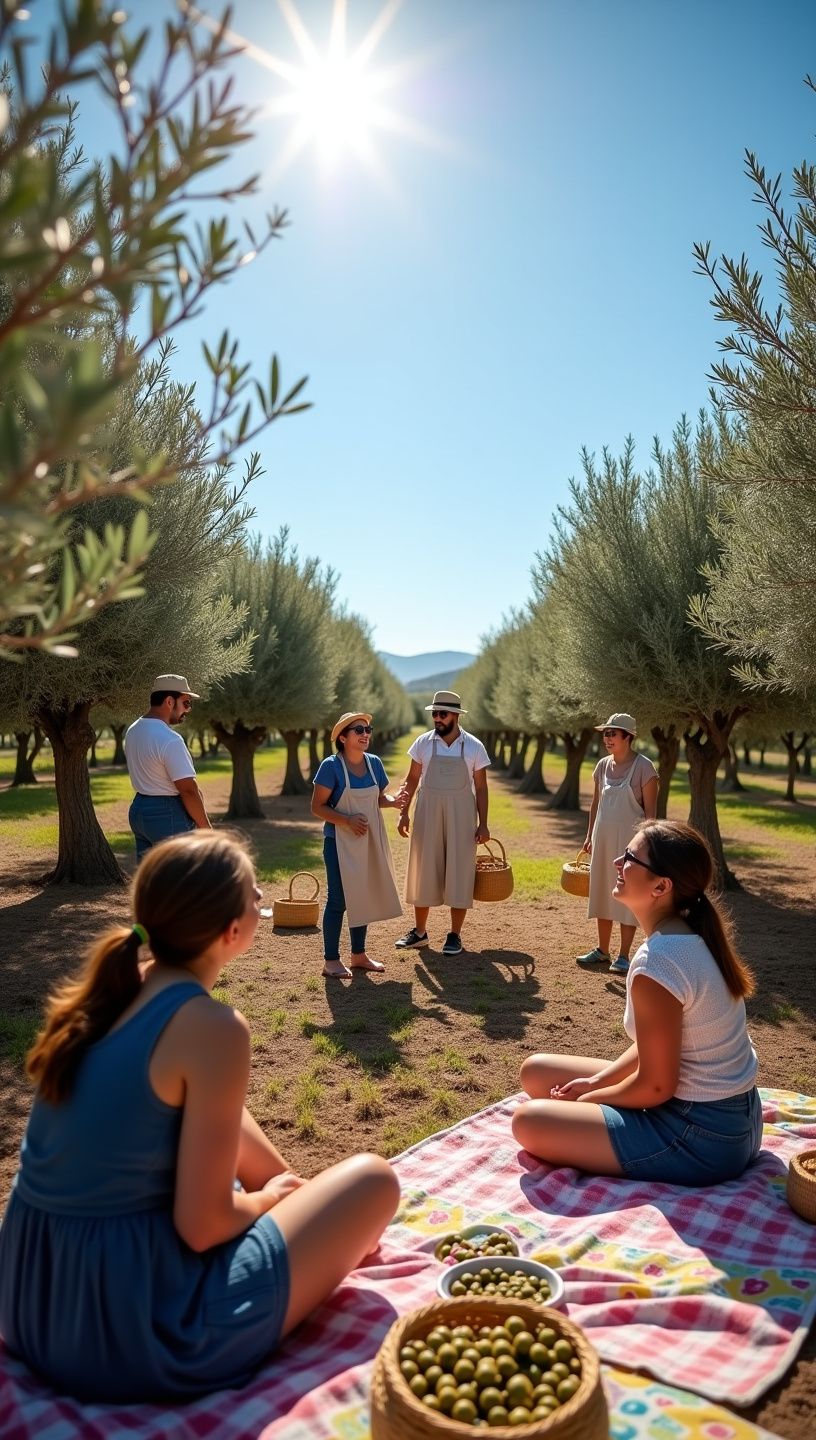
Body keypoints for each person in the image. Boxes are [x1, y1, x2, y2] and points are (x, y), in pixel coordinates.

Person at [0, 832, 400, 1403]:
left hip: (33, 1303)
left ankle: (291, 1224)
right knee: (371, 1180)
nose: (262, 896)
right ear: (232, 933)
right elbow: (203, 1226)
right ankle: (292, 1231)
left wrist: (282, 1191)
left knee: (270, 1166)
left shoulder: (113, 992)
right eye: (254, 893)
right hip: (129, 1329)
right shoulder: (211, 1028)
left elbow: (214, 1119)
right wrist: (271, 1201)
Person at [512, 819, 762, 1187]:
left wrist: (591, 1100)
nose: (617, 861)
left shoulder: (658, 962)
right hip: (739, 1122)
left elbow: (656, 1087)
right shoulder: (690, 935)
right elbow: (656, 1049)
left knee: (529, 1122)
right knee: (536, 1071)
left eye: (630, 857)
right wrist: (597, 1081)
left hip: (703, 1137)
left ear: (661, 886)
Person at [395, 690, 490, 957]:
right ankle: (420, 932)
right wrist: (404, 812)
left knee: (460, 870)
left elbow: (481, 788)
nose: (437, 718)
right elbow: (412, 779)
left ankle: (454, 935)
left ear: (456, 716)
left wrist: (483, 824)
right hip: (427, 811)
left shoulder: (474, 747)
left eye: (442, 714)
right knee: (424, 867)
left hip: (462, 813)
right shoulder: (423, 743)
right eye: (434, 713)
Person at [311, 712, 403, 979]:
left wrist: (393, 800)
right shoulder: (330, 766)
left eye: (368, 729)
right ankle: (331, 961)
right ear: (342, 737)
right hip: (337, 842)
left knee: (361, 896)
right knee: (339, 899)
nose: (365, 734)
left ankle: (358, 955)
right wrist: (347, 820)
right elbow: (317, 807)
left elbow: (379, 798)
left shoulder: (374, 763)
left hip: (368, 840)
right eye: (359, 730)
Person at [577, 711, 658, 975]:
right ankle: (602, 950)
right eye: (605, 733)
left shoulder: (645, 768)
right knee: (602, 890)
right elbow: (595, 805)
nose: (607, 738)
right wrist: (589, 835)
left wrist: (646, 849)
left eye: (612, 733)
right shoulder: (602, 766)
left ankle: (623, 955)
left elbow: (651, 816)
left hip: (630, 845)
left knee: (627, 895)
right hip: (602, 840)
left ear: (628, 736)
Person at [125, 673, 211, 861]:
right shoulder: (170, 739)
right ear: (170, 701)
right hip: (166, 813)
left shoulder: (133, 730)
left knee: (152, 879)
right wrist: (207, 829)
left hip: (139, 810)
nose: (188, 710)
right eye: (186, 703)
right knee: (180, 881)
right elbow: (188, 791)